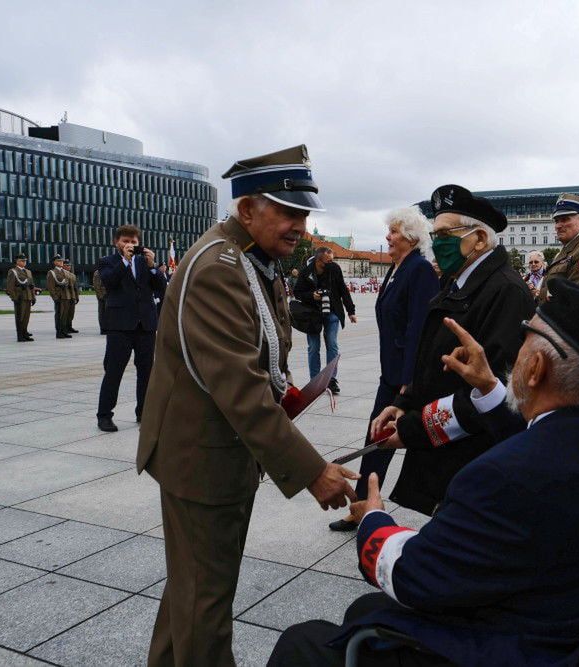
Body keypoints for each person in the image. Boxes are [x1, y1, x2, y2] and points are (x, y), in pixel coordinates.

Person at [269, 280, 579, 666]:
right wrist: (489, 387)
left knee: (301, 643)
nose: (515, 352)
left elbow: (414, 577)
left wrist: (373, 520)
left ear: (536, 368)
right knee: (364, 610)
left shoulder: (503, 477)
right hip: (571, 624)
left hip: (510, 643)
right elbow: (544, 445)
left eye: (524, 340)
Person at [136, 145, 358, 666]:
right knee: (205, 604)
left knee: (193, 589)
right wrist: (312, 472)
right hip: (202, 459)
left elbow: (261, 360)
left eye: (304, 213)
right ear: (247, 209)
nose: (300, 226)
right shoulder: (220, 267)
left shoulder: (251, 259)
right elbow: (241, 389)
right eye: (287, 211)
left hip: (218, 451)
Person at [368, 184, 535, 517]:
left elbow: (491, 391)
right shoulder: (454, 281)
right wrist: (403, 403)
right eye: (435, 234)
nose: (437, 242)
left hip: (473, 455)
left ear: (480, 239)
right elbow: (429, 356)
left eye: (445, 234)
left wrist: (413, 429)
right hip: (445, 451)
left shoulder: (507, 292)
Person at [329, 208, 440, 532]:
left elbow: (419, 328)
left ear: (411, 238)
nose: (387, 237)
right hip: (391, 373)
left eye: (394, 232)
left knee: (414, 443)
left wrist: (408, 382)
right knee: (377, 438)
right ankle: (363, 506)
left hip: (406, 379)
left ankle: (446, 511)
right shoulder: (397, 268)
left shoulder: (420, 270)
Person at [95, 225, 168, 432]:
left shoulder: (144, 262)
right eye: (125, 241)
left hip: (145, 324)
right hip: (119, 325)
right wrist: (125, 261)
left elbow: (161, 288)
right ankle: (104, 415)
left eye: (133, 242)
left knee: (146, 371)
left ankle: (144, 411)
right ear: (116, 242)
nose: (129, 245)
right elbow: (109, 282)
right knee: (113, 370)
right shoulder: (107, 262)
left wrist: (153, 266)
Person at [294, 246, 357, 394]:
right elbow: (297, 292)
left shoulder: (334, 269)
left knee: (332, 344)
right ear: (318, 260)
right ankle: (315, 380)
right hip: (312, 314)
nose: (331, 263)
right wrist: (312, 295)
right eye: (328, 261)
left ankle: (331, 379)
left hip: (333, 311)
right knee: (313, 347)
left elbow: (343, 289)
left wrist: (351, 311)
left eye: (332, 260)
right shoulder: (307, 272)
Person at [6, 253, 36, 342]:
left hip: (28, 296)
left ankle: (25, 333)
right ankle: (20, 335)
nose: (24, 262)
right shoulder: (13, 271)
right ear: (17, 261)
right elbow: (10, 286)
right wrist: (14, 297)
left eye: (25, 261)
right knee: (20, 317)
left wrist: (33, 297)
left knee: (26, 317)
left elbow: (31, 285)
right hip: (20, 297)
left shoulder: (28, 271)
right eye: (22, 261)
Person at [46, 255, 71, 339]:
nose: (61, 262)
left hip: (66, 296)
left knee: (65, 315)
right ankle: (59, 332)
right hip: (59, 296)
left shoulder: (65, 272)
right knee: (59, 315)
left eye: (62, 261)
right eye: (59, 261)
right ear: (54, 262)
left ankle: (64, 331)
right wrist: (55, 297)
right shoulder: (52, 272)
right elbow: (51, 287)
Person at [62, 258, 79, 334]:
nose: (69, 267)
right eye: (67, 265)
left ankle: (69, 326)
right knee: (64, 313)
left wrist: (77, 297)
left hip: (72, 296)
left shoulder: (73, 275)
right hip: (65, 296)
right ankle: (64, 327)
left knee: (71, 313)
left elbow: (75, 287)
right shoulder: (62, 274)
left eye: (69, 266)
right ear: (63, 266)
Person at [91, 269, 107, 335]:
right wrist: (100, 296)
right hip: (103, 295)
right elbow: (96, 285)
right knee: (102, 313)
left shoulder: (109, 270)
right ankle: (103, 329)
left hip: (109, 295)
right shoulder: (98, 272)